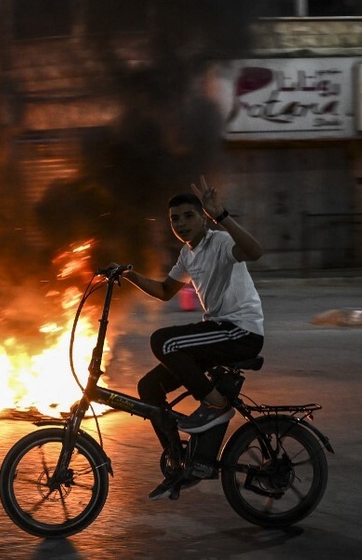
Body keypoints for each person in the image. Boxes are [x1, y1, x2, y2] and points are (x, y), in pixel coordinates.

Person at [115, 176, 265, 501]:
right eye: (174, 219)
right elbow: (167, 291)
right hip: (216, 331)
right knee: (148, 388)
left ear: (202, 216)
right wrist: (131, 275)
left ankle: (215, 403)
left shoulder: (221, 242)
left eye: (188, 216)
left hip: (241, 331)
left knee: (164, 342)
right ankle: (178, 458)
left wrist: (221, 216)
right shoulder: (188, 253)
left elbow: (255, 251)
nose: (181, 224)